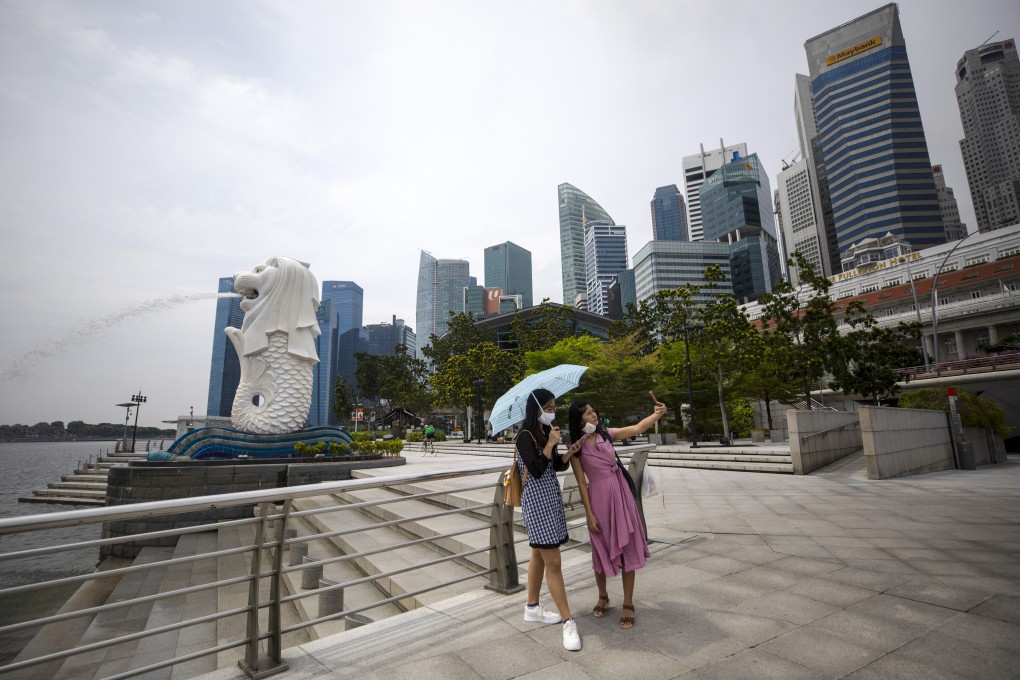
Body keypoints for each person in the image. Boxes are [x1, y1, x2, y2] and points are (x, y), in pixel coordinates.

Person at [566, 397, 666, 629]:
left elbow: (637, 428)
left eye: (594, 411)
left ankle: (628, 603)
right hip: (599, 498)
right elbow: (581, 482)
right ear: (578, 420)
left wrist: (658, 414)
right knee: (600, 549)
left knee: (627, 545)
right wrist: (589, 514)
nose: (594, 416)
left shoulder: (606, 434)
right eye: (589, 414)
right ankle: (603, 595)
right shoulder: (576, 447)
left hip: (621, 494)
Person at [515, 388, 592, 651]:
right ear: (535, 408)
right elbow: (535, 470)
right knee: (554, 562)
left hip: (550, 498)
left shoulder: (547, 432)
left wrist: (568, 452)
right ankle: (568, 621)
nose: (552, 411)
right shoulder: (523, 437)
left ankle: (532, 607)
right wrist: (549, 445)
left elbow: (554, 466)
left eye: (554, 407)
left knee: (538, 553)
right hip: (536, 503)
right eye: (548, 407)